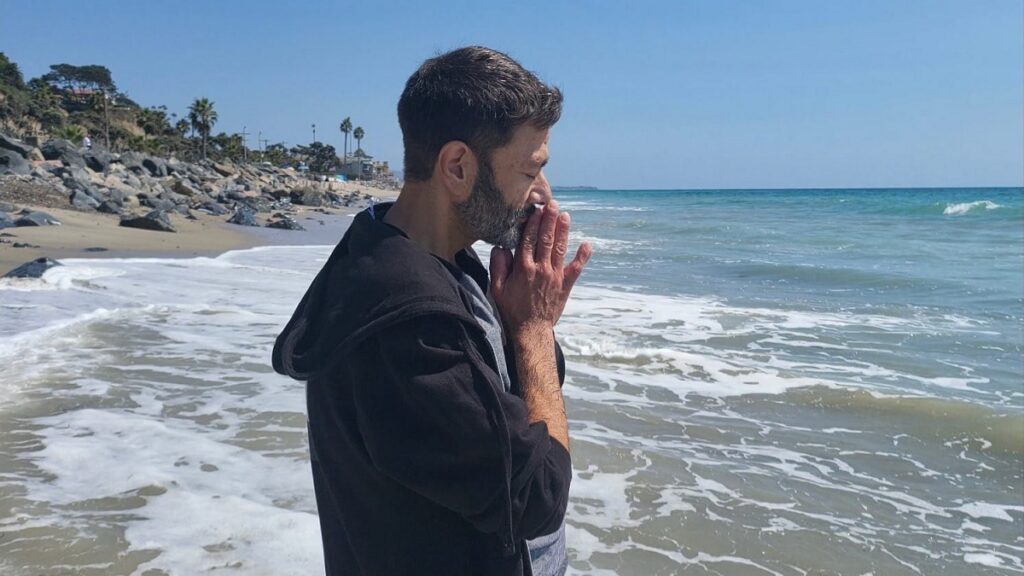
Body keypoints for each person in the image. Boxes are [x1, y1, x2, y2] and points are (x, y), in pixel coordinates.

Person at [273, 46, 592, 576]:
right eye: (530, 170)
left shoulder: (414, 254)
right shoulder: (410, 327)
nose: (543, 196)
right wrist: (534, 330)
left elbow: (523, 398)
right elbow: (538, 497)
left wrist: (523, 319)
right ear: (458, 167)